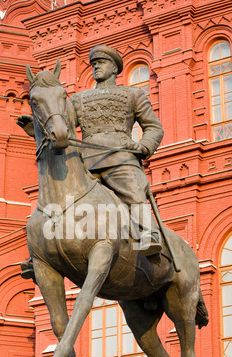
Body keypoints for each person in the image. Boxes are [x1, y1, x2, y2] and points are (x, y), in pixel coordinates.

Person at [69, 45, 164, 256]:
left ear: (114, 68)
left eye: (101, 63)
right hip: (86, 164)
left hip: (120, 158)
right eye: (93, 64)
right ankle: (46, 252)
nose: (96, 67)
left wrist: (143, 146)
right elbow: (63, 129)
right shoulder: (78, 99)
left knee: (134, 191)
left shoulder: (132, 94)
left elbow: (154, 127)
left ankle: (148, 233)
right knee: (62, 199)